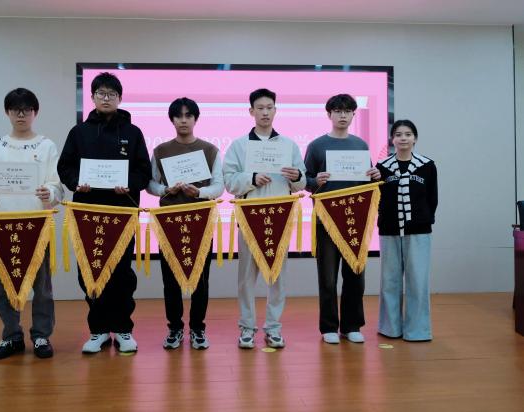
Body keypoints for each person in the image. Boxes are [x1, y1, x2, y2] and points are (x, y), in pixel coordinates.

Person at [57, 72, 151, 353]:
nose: (106, 98)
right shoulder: (79, 132)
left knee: (121, 273)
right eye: (101, 93)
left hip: (122, 213)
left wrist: (128, 185)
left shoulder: (133, 133)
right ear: (92, 97)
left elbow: (143, 171)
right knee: (89, 271)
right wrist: (77, 183)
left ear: (120, 98)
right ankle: (98, 330)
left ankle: (123, 329)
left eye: (111, 94)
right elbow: (65, 167)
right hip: (87, 213)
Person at [0, 88, 63, 360]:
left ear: (35, 112)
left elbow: (57, 186)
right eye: (16, 109)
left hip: (36, 226)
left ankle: (41, 336)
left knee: (42, 286)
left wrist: (49, 193)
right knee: (0, 283)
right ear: (7, 112)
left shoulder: (46, 146)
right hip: (2, 226)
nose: (21, 114)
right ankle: (12, 335)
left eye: (27, 109)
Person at [223, 88, 306, 349]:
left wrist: (296, 177)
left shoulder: (288, 145)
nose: (265, 112)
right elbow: (229, 182)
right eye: (260, 108)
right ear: (251, 111)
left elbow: (301, 182)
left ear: (275, 110)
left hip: (280, 218)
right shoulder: (239, 145)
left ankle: (273, 327)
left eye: (269, 107)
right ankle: (247, 327)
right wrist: (252, 178)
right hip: (250, 218)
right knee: (246, 278)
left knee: (277, 278)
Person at [147, 97, 224, 350]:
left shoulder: (210, 150)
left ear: (195, 119)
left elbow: (219, 187)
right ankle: (175, 328)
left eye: (188, 115)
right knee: (170, 279)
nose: (183, 120)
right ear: (172, 119)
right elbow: (150, 184)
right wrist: (165, 189)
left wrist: (199, 192)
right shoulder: (160, 150)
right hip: (170, 221)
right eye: (178, 116)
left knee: (201, 278)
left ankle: (198, 329)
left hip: (200, 221)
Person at [304, 93, 381, 344]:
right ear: (329, 115)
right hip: (326, 220)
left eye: (347, 111)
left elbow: (367, 182)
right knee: (327, 277)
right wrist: (316, 180)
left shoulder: (360, 145)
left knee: (355, 275)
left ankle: (351, 325)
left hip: (355, 221)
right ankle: (328, 326)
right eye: (337, 111)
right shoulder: (316, 145)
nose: (342, 115)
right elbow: (305, 180)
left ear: (353, 115)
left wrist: (374, 175)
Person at [376, 120, 437, 341]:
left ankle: (417, 330)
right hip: (389, 230)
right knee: (389, 281)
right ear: (392, 139)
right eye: (398, 134)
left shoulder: (427, 165)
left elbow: (432, 198)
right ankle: (390, 328)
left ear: (415, 138)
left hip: (419, 231)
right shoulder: (381, 167)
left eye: (408, 134)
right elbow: (377, 198)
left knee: (418, 281)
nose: (403, 138)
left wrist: (423, 219)